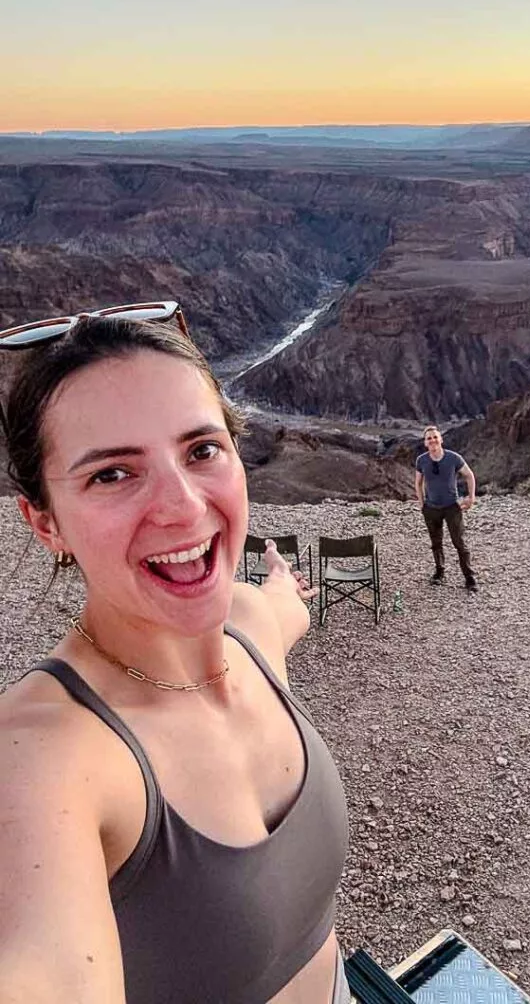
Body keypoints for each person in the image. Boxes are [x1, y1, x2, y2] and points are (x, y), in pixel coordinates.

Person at [0, 303, 351, 1004]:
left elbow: (283, 610)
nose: (185, 507)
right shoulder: (41, 757)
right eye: (112, 474)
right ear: (44, 522)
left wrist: (284, 586)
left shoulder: (249, 627)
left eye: (201, 451)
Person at [414, 424, 478, 592]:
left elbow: (469, 475)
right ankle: (439, 572)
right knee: (436, 542)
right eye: (429, 438)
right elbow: (418, 482)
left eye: (435, 437)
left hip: (452, 507)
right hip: (431, 508)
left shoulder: (453, 458)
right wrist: (422, 503)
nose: (432, 440)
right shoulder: (421, 460)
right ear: (425, 442)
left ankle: (469, 576)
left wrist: (471, 497)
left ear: (441, 439)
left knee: (459, 542)